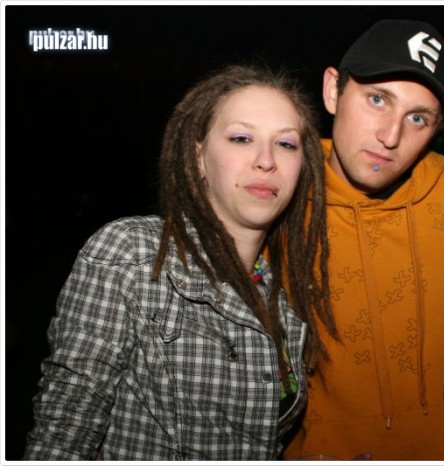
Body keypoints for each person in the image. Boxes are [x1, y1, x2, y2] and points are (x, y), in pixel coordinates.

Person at [23, 63, 334, 461]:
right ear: (198, 157)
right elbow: (63, 434)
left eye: (286, 144)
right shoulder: (133, 254)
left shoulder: (282, 298)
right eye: (241, 138)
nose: (266, 160)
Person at [282, 19, 444, 461]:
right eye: (378, 99)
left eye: (418, 118)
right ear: (333, 90)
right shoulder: (278, 194)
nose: (391, 137)